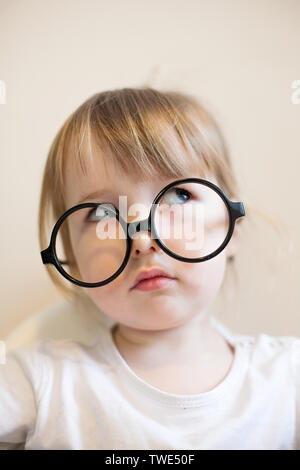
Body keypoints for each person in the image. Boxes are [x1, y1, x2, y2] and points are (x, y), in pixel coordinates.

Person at [0, 87, 299, 450]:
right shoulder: (35, 381)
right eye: (103, 213)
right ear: (73, 258)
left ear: (231, 225)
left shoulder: (288, 377)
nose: (142, 240)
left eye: (179, 196)